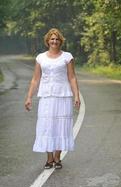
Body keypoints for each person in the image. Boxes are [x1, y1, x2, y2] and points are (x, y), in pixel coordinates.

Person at [25, 28, 80, 169]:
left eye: (57, 39)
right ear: (48, 41)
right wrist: (29, 97)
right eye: (52, 39)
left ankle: (57, 157)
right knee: (47, 126)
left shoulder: (67, 57)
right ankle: (49, 159)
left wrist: (76, 96)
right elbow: (35, 80)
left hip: (63, 96)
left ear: (60, 41)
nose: (54, 41)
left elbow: (72, 77)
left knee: (61, 126)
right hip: (46, 97)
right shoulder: (40, 58)